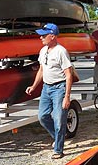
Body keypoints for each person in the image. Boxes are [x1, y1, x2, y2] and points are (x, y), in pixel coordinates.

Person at [25, 23, 73, 159]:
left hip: (59, 88)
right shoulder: (43, 50)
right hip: (46, 87)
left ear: (52, 36)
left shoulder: (61, 51)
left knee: (59, 119)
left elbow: (68, 75)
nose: (40, 38)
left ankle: (58, 149)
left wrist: (67, 97)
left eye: (43, 35)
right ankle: (59, 136)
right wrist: (34, 86)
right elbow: (41, 70)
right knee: (43, 117)